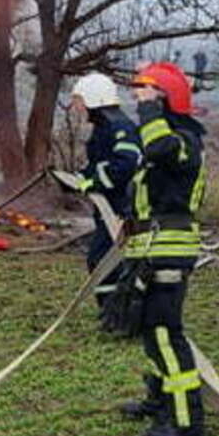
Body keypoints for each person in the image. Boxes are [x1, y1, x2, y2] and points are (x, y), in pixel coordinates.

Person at [116, 61, 209, 436]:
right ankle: (160, 398)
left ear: (165, 102)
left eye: (147, 95)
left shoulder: (182, 140)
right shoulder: (168, 142)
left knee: (165, 334)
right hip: (150, 251)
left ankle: (185, 421)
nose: (139, 102)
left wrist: (150, 108)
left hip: (168, 254)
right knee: (151, 332)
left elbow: (157, 145)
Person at [61, 73, 141, 309]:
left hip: (120, 209)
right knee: (103, 259)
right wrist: (77, 178)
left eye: (80, 102)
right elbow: (99, 165)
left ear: (94, 100)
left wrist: (93, 182)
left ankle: (115, 312)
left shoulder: (120, 127)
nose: (78, 108)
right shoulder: (104, 126)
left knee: (103, 260)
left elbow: (126, 165)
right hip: (109, 209)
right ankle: (114, 310)